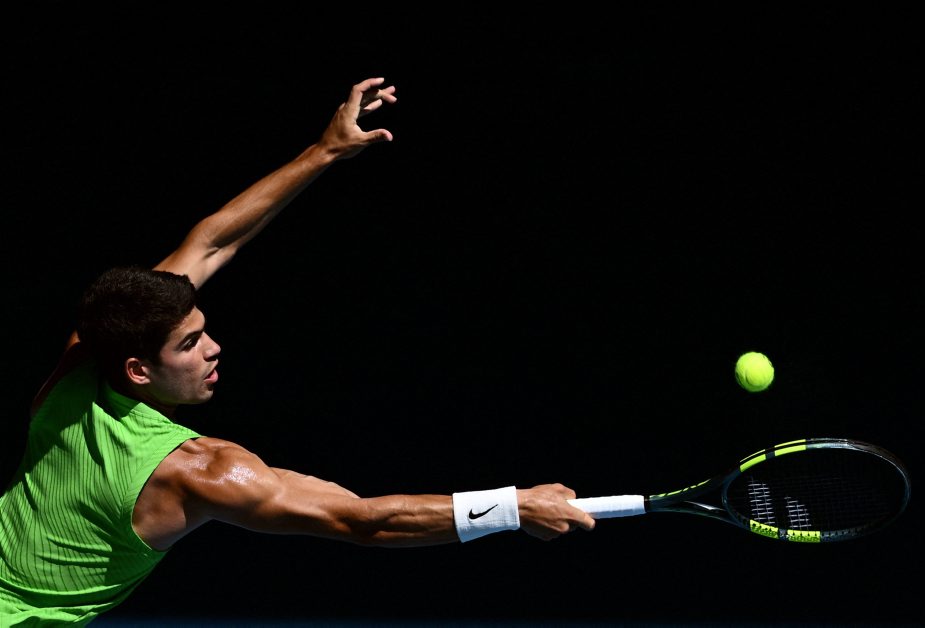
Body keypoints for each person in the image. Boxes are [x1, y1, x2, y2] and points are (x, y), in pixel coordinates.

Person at [0, 77, 596, 625]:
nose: (214, 349)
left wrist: (326, 150)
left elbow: (210, 244)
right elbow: (360, 520)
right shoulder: (197, 471)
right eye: (190, 344)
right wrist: (514, 508)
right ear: (138, 369)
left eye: (203, 329)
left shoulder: (85, 357)